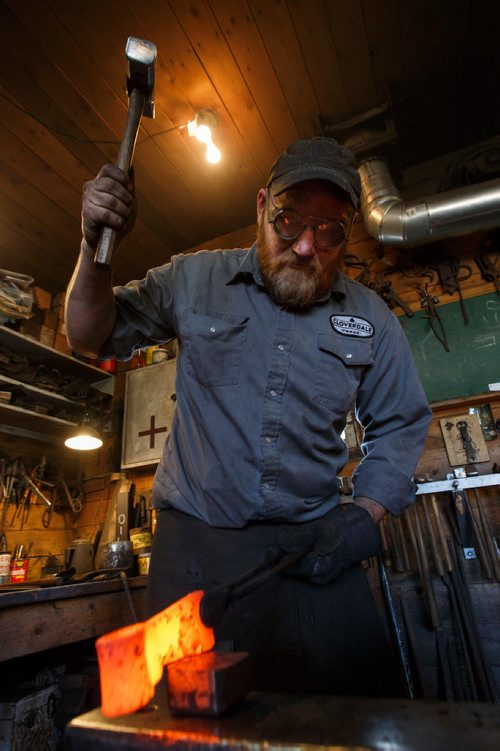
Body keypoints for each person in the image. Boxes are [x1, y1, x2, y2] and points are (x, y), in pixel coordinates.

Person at [65, 137, 432, 698]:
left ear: (350, 231)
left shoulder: (371, 319)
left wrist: (365, 514)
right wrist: (95, 245)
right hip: (195, 554)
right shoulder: (192, 280)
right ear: (261, 207)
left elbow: (402, 421)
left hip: (314, 552)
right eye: (288, 221)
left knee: (357, 711)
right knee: (186, 724)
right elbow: (88, 333)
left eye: (330, 231)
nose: (307, 246)